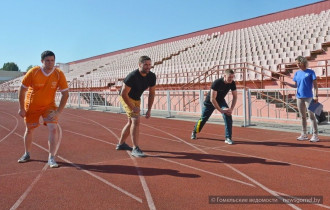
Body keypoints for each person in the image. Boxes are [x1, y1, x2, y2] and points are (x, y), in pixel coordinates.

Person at [17, 51, 69, 167]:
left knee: (53, 128)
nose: (50, 63)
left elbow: (66, 94)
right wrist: (21, 107)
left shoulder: (59, 74)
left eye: (52, 60)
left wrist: (58, 112)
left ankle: (51, 158)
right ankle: (27, 154)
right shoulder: (34, 72)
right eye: (47, 61)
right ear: (42, 61)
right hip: (32, 106)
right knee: (29, 129)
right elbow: (22, 90)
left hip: (49, 106)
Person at [116, 56, 156, 157]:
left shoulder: (152, 76)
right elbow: (123, 94)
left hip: (136, 98)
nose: (148, 67)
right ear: (140, 65)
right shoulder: (132, 76)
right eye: (145, 65)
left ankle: (121, 144)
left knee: (130, 122)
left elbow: (152, 93)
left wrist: (149, 109)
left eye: (149, 65)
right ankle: (135, 148)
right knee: (135, 119)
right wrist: (133, 107)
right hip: (126, 97)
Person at [191, 69, 237, 144]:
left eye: (232, 77)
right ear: (224, 76)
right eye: (229, 77)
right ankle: (194, 131)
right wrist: (221, 110)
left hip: (221, 101)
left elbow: (235, 96)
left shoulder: (232, 83)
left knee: (228, 115)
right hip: (210, 102)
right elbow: (212, 99)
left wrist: (231, 109)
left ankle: (228, 138)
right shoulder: (217, 83)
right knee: (203, 119)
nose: (231, 79)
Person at [285, 56, 319, 142]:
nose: (297, 65)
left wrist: (316, 96)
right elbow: (296, 86)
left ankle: (315, 135)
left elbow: (315, 86)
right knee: (303, 116)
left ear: (302, 62)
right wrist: (287, 84)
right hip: (299, 97)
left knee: (311, 116)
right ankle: (304, 134)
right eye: (296, 63)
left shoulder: (311, 72)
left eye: (298, 63)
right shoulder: (297, 73)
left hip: (309, 97)